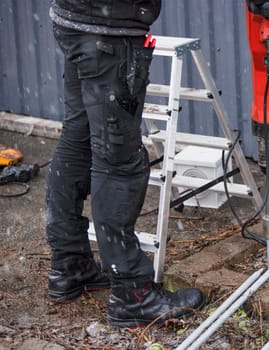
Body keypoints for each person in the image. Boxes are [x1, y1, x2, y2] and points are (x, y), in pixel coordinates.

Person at [46, 0, 204, 328]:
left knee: (79, 138)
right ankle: (132, 293)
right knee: (119, 161)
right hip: (107, 32)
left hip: (74, 20)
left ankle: (70, 265)